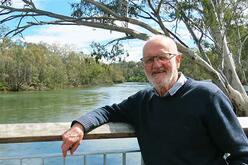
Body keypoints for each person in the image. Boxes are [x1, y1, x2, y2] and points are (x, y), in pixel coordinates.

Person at [61, 35, 248, 165]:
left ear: (178, 60)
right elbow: (108, 111)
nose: (156, 65)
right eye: (149, 60)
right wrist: (79, 127)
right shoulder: (143, 101)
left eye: (162, 57)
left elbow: (242, 154)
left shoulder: (207, 96)